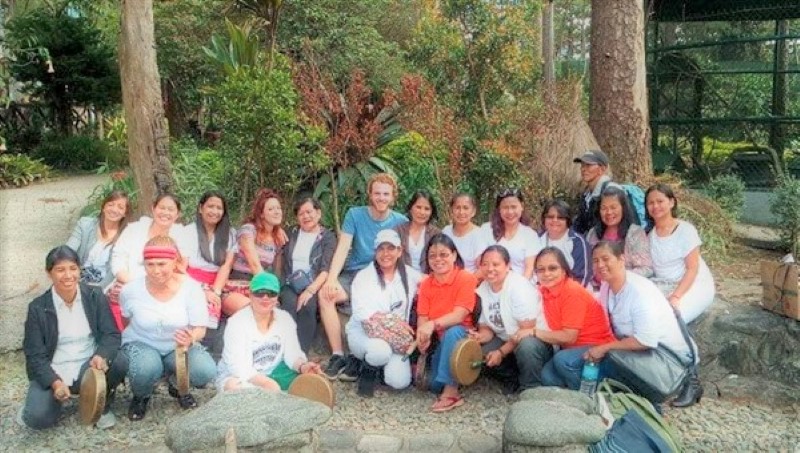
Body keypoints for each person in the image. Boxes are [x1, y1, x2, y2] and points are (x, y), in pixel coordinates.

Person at [20, 246, 127, 430]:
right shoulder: (38, 308)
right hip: (56, 370)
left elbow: (111, 334)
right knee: (37, 419)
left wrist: (101, 355)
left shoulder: (94, 296)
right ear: (49, 273)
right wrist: (55, 382)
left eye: (73, 268)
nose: (68, 275)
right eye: (60, 270)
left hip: (89, 367)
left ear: (79, 269)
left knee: (119, 361)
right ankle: (46, 401)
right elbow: (35, 355)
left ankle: (101, 403)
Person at [586, 241, 701, 408]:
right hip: (641, 348)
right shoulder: (607, 286)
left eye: (605, 259)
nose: (600, 265)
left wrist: (603, 348)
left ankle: (667, 392)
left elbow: (646, 340)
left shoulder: (638, 291)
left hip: (668, 357)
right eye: (595, 261)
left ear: (621, 259)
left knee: (607, 357)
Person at [320, 173, 408, 380]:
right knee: (326, 295)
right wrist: (331, 279)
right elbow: (343, 248)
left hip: (381, 276)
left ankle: (360, 357)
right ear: (369, 194)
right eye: (377, 193)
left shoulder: (400, 221)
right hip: (354, 274)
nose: (381, 198)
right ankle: (338, 354)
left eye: (386, 194)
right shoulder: (355, 215)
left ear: (393, 196)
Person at [119, 236, 217, 421]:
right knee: (145, 368)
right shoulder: (130, 290)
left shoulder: (191, 289)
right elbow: (126, 321)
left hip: (178, 345)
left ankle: (176, 383)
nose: (156, 270)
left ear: (175, 262)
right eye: (150, 264)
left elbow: (200, 328)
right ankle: (142, 395)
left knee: (205, 370)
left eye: (162, 264)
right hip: (142, 341)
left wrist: (191, 338)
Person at [345, 229, 422, 397]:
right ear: (375, 252)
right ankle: (366, 373)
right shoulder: (364, 277)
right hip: (365, 334)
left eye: (391, 248)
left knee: (399, 382)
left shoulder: (408, 274)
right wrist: (393, 321)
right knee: (380, 351)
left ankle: (380, 369)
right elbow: (362, 314)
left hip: (395, 337)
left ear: (399, 251)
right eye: (381, 249)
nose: (386, 253)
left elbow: (431, 283)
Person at [216, 272, 323, 392]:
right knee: (233, 386)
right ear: (250, 294)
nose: (265, 298)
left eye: (271, 293)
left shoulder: (285, 318)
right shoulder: (237, 323)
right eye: (259, 293)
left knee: (308, 379)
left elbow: (292, 354)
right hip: (241, 377)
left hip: (273, 372)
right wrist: (265, 383)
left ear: (277, 297)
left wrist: (302, 366)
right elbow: (237, 367)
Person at [470, 245, 551, 394]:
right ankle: (513, 378)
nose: (490, 269)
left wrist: (501, 352)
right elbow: (486, 328)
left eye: (496, 264)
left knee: (527, 346)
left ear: (508, 266)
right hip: (507, 339)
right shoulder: (483, 288)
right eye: (485, 264)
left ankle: (531, 389)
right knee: (479, 349)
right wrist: (479, 337)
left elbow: (525, 330)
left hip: (535, 340)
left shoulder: (519, 287)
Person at [533, 247, 615, 390]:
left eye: (552, 268)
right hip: (572, 351)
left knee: (562, 360)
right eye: (541, 269)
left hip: (598, 350)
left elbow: (569, 337)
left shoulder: (572, 292)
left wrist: (533, 332)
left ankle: (593, 395)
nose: (546, 274)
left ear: (564, 270)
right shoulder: (544, 290)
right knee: (547, 377)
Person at [415, 233, 478, 412]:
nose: (438, 260)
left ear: (454, 256)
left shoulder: (465, 278)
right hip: (440, 341)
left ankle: (451, 393)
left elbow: (459, 315)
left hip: (464, 338)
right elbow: (423, 317)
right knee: (434, 384)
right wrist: (422, 335)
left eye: (444, 254)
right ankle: (449, 380)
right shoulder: (427, 283)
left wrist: (432, 325)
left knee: (455, 331)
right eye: (432, 256)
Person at [109, 193, 184, 330]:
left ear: (178, 214)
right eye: (162, 208)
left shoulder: (181, 236)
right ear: (153, 209)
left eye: (171, 209)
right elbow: (118, 258)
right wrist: (130, 284)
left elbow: (181, 269)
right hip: (128, 283)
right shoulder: (134, 229)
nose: (165, 213)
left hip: (164, 290)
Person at [645, 184, 715, 324]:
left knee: (670, 321)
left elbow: (692, 268)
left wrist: (676, 296)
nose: (655, 206)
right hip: (664, 284)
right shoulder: (650, 236)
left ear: (671, 202)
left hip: (693, 285)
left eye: (660, 201)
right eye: (651, 203)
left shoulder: (685, 230)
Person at [280, 197, 336, 353]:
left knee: (307, 306)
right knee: (289, 305)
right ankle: (285, 350)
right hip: (290, 283)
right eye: (301, 213)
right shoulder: (290, 232)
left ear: (318, 213)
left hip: (313, 283)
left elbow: (326, 269)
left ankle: (300, 353)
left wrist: (310, 290)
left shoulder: (327, 237)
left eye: (309, 212)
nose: (306, 216)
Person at [178, 191, 236, 333]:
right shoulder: (188, 232)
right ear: (200, 208)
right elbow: (180, 269)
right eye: (210, 206)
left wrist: (215, 291)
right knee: (202, 311)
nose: (214, 211)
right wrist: (203, 290)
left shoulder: (230, 234)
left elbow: (226, 266)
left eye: (219, 208)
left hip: (219, 283)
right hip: (190, 282)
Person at [224, 188, 286, 315]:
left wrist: (275, 293)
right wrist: (268, 290)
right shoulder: (248, 231)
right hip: (236, 285)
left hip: (258, 286)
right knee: (257, 311)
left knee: (275, 314)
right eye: (271, 209)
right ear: (261, 214)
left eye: (278, 208)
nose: (276, 212)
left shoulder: (277, 238)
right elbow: (255, 265)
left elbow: (277, 272)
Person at [66, 190, 131, 289]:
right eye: (110, 205)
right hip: (77, 280)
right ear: (103, 207)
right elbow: (68, 251)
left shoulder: (127, 236)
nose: (114, 209)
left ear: (125, 213)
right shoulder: (85, 225)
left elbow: (115, 271)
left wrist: (97, 291)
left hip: (106, 286)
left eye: (120, 207)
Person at [585, 186, 653, 278]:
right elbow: (587, 266)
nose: (609, 212)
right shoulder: (593, 233)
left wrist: (617, 277)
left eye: (613, 207)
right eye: (604, 208)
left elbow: (646, 269)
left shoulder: (635, 233)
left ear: (623, 209)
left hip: (625, 287)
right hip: (596, 288)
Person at [478, 189, 543, 281]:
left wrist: (518, 289)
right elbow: (480, 263)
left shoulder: (530, 235)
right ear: (499, 209)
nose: (510, 212)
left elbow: (530, 268)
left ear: (522, 207)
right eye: (505, 207)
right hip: (491, 283)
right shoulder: (486, 230)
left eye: (514, 207)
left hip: (521, 286)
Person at [538, 200, 591, 286]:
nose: (555, 220)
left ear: (568, 220)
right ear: (544, 219)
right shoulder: (536, 239)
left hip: (571, 293)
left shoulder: (578, 242)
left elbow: (582, 276)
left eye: (560, 217)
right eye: (550, 217)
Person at [394, 190, 441, 272]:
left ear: (431, 212)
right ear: (411, 208)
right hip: (402, 279)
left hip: (428, 280)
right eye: (418, 207)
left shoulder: (436, 234)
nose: (422, 212)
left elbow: (440, 263)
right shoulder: (398, 231)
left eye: (427, 209)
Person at [573, 149, 617, 235]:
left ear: (602, 169)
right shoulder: (586, 195)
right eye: (582, 165)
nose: (583, 169)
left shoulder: (612, 191)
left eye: (588, 165)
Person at [441, 192, 484, 274]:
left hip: (469, 281)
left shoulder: (479, 234)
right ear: (451, 211)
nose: (461, 212)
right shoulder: (446, 231)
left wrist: (464, 283)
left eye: (465, 208)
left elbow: (482, 269)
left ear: (473, 211)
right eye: (457, 208)